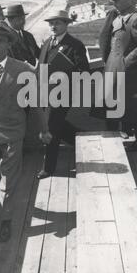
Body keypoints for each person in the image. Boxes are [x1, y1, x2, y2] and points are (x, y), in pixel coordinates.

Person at [0, 20, 51, 242]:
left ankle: (6, 220)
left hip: (14, 133)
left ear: (8, 43)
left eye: (1, 41)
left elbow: (35, 104)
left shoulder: (23, 69)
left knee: (9, 179)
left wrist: (44, 130)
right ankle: (4, 204)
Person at [98, 0, 137, 151]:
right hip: (114, 68)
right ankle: (114, 141)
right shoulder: (118, 18)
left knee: (134, 106)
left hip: (131, 73)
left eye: (117, 0)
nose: (115, 3)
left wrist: (126, 62)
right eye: (113, 0)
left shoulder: (136, 19)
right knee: (114, 105)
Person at [36, 10, 89, 179]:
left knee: (51, 127)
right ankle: (82, 140)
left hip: (62, 94)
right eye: (51, 23)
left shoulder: (75, 45)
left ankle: (48, 168)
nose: (53, 26)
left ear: (66, 24)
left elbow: (84, 72)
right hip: (45, 92)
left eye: (57, 23)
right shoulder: (46, 43)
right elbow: (41, 67)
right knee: (57, 125)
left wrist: (64, 76)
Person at [5, 3, 40, 67]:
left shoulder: (29, 36)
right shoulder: (6, 38)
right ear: (10, 20)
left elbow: (39, 54)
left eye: (23, 18)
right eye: (19, 19)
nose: (23, 22)